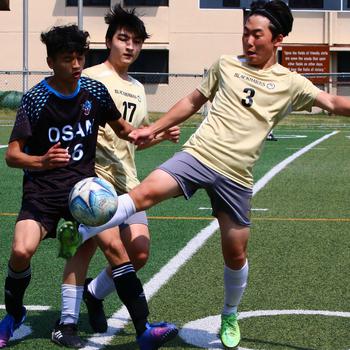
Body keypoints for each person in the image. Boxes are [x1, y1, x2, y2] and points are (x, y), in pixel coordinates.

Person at [59, 0, 350, 348]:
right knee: (144, 194)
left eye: (257, 35)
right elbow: (193, 101)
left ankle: (229, 313)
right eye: (245, 33)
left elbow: (333, 103)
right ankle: (81, 226)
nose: (249, 41)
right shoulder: (225, 65)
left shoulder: (291, 82)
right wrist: (154, 130)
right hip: (199, 155)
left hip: (237, 176)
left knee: (235, 252)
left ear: (278, 40)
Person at [0, 24, 177, 350]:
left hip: (83, 193)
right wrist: (41, 162)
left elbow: (124, 130)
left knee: (118, 252)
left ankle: (143, 330)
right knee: (21, 251)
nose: (77, 64)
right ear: (52, 61)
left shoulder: (94, 92)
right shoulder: (36, 99)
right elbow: (12, 155)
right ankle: (13, 314)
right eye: (69, 59)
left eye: (81, 56)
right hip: (41, 194)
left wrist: (156, 133)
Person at [57, 3, 180, 347]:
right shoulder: (91, 77)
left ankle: (95, 294)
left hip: (129, 181)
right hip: (92, 181)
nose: (130, 46)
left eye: (136, 42)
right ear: (109, 41)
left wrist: (158, 137)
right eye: (123, 39)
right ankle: (74, 323)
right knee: (93, 251)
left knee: (139, 253)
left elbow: (130, 143)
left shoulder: (139, 88)